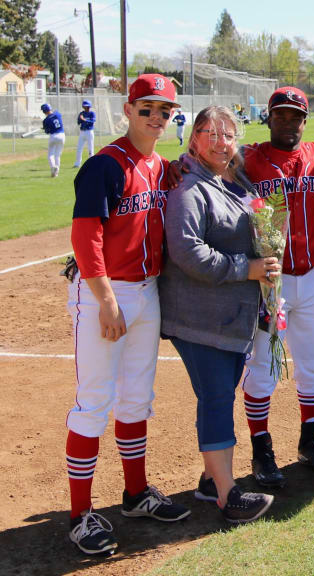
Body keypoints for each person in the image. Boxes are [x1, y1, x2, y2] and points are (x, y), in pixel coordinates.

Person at [65, 74, 190, 556]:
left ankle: (135, 494)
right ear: (127, 108)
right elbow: (85, 236)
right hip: (107, 293)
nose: (156, 117)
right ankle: (80, 514)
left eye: (165, 110)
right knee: (95, 401)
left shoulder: (160, 165)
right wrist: (105, 299)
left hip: (147, 291)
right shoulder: (105, 165)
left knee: (137, 398)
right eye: (147, 109)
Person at [161, 105, 279, 523]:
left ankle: (212, 480)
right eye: (209, 133)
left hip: (230, 316)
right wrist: (247, 269)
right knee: (215, 398)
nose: (220, 141)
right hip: (198, 318)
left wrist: (268, 258)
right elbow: (187, 251)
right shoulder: (189, 188)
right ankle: (229, 497)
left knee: (220, 395)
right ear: (193, 138)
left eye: (228, 134)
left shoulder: (232, 177)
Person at [239, 87, 314, 485]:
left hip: (312, 276)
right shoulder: (246, 159)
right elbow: (200, 164)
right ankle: (261, 452)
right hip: (269, 281)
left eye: (295, 116)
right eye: (280, 115)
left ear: (305, 120)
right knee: (262, 365)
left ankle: (308, 442)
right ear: (267, 117)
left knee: (313, 364)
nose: (288, 122)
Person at [41, 103, 65, 177]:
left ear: (44, 111)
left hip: (53, 136)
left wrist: (45, 128)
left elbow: (47, 132)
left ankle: (53, 167)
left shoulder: (46, 120)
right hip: (62, 135)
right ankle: (56, 170)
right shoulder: (58, 114)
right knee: (57, 155)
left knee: (51, 154)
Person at [73, 100, 96, 168]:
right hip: (82, 132)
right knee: (79, 148)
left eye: (88, 106)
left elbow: (92, 121)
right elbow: (78, 122)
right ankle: (77, 163)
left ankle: (91, 163)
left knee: (90, 148)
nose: (86, 107)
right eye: (85, 106)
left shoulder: (92, 113)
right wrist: (80, 119)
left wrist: (84, 120)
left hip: (89, 131)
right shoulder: (81, 113)